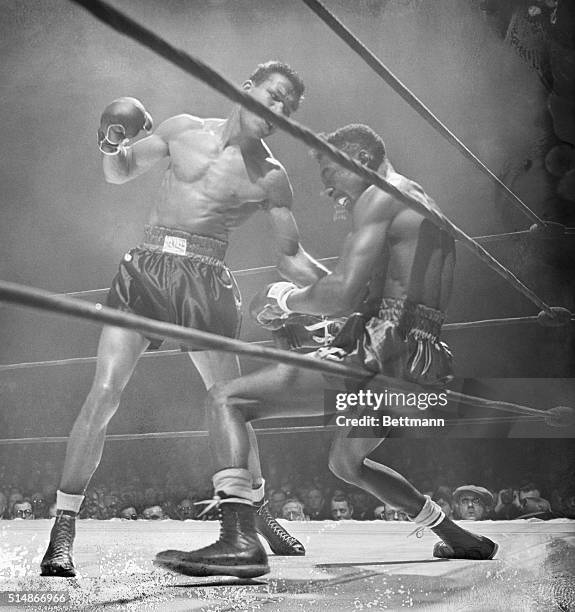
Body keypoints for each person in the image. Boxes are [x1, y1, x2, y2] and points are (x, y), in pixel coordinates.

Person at [154, 123, 498, 579]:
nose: (328, 189)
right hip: (424, 357)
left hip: (383, 356)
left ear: (358, 161)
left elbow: (343, 295)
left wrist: (283, 300)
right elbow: (387, 298)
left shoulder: (380, 196)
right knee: (346, 462)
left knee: (226, 399)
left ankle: (238, 542)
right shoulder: (419, 200)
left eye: (331, 172)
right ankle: (461, 539)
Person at [40, 61, 329, 577]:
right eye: (275, 94)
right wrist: (110, 142)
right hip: (146, 271)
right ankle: (63, 528)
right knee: (104, 393)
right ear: (248, 88)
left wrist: (349, 286)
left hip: (206, 283)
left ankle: (253, 513)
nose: (279, 109)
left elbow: (291, 257)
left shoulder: (271, 175)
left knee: (233, 404)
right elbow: (121, 170)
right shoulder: (182, 129)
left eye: (289, 106)